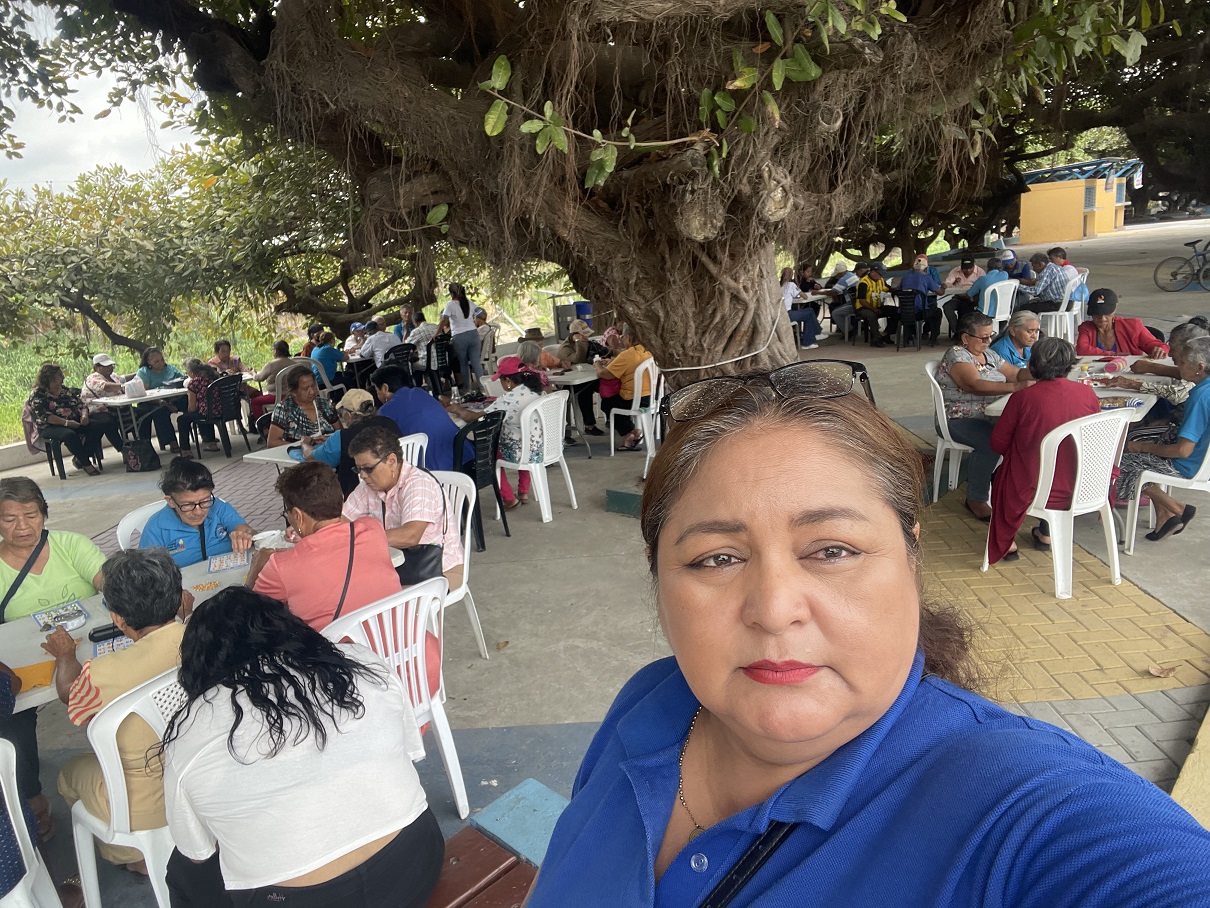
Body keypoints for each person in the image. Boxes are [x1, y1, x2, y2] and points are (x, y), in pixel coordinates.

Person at [527, 360, 1210, 907]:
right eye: (717, 559)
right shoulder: (651, 703)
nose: (774, 609)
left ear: (911, 555)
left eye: (832, 550)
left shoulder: (1025, 808)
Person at [159, 588, 443, 908]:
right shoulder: (358, 661)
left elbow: (198, 854)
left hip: (299, 900)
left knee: (182, 871)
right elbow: (409, 752)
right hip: (415, 862)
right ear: (288, 626)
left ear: (198, 663)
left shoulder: (190, 731)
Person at [46, 548, 187, 875]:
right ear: (179, 598)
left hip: (144, 811)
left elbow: (70, 696)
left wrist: (65, 657)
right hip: (201, 784)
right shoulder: (205, 637)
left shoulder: (100, 673)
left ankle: (131, 856)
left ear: (118, 619)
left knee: (68, 773)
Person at [0, 477, 107, 838]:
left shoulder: (71, 545)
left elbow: (107, 582)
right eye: (9, 519)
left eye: (31, 515)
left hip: (90, 650)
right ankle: (32, 798)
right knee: (12, 716)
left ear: (44, 514)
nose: (22, 526)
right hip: (25, 664)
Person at [985, 337, 1101, 563]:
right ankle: (1046, 534)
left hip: (1033, 488)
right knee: (1057, 467)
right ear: (1070, 365)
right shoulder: (1087, 394)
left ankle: (1008, 542)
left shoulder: (1022, 398)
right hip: (1080, 486)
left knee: (1002, 475)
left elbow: (998, 444)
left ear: (1032, 364)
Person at [247, 463, 401, 630]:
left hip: (339, 646)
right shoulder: (372, 529)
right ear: (341, 500)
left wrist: (256, 569)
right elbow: (335, 550)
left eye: (287, 513)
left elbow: (245, 616)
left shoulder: (280, 567)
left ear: (297, 515)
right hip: (399, 638)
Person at [935, 311, 1034, 520]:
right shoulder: (957, 355)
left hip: (988, 415)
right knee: (991, 443)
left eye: (991, 335)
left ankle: (1006, 486)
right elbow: (974, 384)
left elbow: (1016, 373)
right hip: (957, 418)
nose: (989, 341)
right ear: (965, 337)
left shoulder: (989, 354)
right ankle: (976, 498)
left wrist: (1040, 372)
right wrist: (1016, 387)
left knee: (1023, 432)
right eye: (983, 337)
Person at [344, 427, 465, 590]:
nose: (362, 475)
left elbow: (410, 536)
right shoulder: (369, 486)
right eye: (358, 469)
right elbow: (343, 520)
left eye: (368, 468)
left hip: (439, 570)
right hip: (398, 565)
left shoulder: (419, 484)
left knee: (369, 597)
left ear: (392, 461)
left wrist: (361, 538)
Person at [1114, 336, 1210, 540]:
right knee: (1134, 438)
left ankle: (1177, 508)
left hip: (1189, 464)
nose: (1178, 366)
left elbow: (1183, 450)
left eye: (1182, 362)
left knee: (1119, 460)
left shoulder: (1201, 397)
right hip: (1202, 456)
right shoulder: (1204, 386)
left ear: (1200, 368)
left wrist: (1140, 447)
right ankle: (1164, 516)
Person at [447, 356, 543, 510]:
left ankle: (509, 498)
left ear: (508, 381)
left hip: (520, 452)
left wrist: (459, 410)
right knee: (523, 440)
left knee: (488, 454)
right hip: (539, 448)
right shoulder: (537, 390)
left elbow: (475, 418)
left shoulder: (508, 399)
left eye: (500, 380)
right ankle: (523, 491)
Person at [139, 458, 254, 567]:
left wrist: (245, 535)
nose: (198, 512)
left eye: (205, 501)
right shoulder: (156, 528)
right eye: (188, 505)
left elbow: (247, 530)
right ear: (171, 501)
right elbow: (148, 571)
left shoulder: (218, 507)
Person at [301, 389, 401, 497]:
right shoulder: (389, 422)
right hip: (394, 484)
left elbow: (311, 457)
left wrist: (305, 444)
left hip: (360, 493)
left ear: (348, 415)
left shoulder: (343, 436)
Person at [372, 366, 468, 472]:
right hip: (464, 456)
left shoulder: (385, 411)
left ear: (385, 388)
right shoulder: (420, 392)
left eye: (377, 390)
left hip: (435, 471)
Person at [26, 363, 108, 475]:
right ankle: (86, 464)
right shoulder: (38, 395)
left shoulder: (64, 390)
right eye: (60, 375)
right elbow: (45, 417)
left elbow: (81, 405)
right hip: (51, 426)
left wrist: (84, 416)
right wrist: (66, 423)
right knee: (69, 435)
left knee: (99, 426)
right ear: (50, 378)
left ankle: (80, 457)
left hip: (74, 420)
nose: (63, 377)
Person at [594, 324, 653, 450]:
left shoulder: (627, 355)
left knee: (607, 403)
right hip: (651, 397)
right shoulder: (648, 351)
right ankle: (631, 431)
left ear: (629, 338)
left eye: (623, 337)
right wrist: (612, 362)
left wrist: (597, 364)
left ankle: (628, 433)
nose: (621, 340)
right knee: (616, 402)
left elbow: (604, 374)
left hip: (634, 400)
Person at [1075, 289, 1169, 357]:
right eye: (1097, 314)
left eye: (1107, 313)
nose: (1102, 318)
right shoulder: (1086, 328)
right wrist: (1114, 355)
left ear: (1114, 311)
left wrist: (1160, 350)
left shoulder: (1133, 326)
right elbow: (1082, 349)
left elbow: (1161, 346)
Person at [266, 369, 342, 448]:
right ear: (293, 392)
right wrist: (301, 447)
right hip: (299, 453)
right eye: (306, 389)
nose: (312, 392)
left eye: (313, 386)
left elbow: (341, 433)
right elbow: (272, 442)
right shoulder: (284, 409)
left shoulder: (325, 405)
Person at [556, 319, 607, 435]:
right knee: (585, 390)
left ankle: (611, 416)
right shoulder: (566, 348)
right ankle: (589, 425)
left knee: (606, 383)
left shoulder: (587, 342)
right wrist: (579, 342)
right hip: (568, 383)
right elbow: (580, 359)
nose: (586, 337)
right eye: (583, 335)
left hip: (586, 377)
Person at [78, 353, 134, 454]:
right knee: (108, 422)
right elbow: (106, 386)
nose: (109, 368)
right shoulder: (93, 378)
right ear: (97, 367)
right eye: (105, 366)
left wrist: (138, 374)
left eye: (110, 365)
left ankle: (141, 443)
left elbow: (123, 378)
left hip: (116, 407)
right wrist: (125, 386)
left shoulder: (113, 376)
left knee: (139, 413)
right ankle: (122, 448)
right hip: (97, 410)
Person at [440, 282, 484, 394]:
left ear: (451, 293)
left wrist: (436, 333)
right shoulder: (469, 303)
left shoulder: (450, 304)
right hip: (473, 334)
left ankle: (467, 389)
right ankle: (483, 387)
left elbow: (444, 319)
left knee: (463, 363)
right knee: (476, 363)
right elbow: (481, 313)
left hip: (459, 336)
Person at [176, 358, 221, 455]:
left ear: (191, 372)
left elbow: (192, 408)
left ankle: (186, 450)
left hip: (208, 413)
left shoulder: (195, 383)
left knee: (182, 419)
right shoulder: (215, 376)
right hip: (222, 410)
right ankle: (212, 443)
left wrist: (187, 410)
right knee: (206, 410)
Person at [896, 257, 943, 345]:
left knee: (910, 310)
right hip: (920, 313)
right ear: (925, 268)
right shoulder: (926, 277)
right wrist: (943, 287)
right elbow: (940, 292)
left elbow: (898, 290)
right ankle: (933, 339)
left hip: (904, 312)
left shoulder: (904, 278)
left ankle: (909, 338)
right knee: (937, 312)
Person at [249, 340, 296, 421]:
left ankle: (264, 425)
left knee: (254, 402)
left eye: (272, 349)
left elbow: (259, 378)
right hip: (291, 395)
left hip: (275, 396)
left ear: (276, 350)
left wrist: (253, 373)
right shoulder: (293, 364)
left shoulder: (271, 365)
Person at [853, 262, 896, 348]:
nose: (881, 276)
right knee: (872, 316)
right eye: (880, 274)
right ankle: (876, 339)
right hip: (863, 308)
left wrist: (900, 289)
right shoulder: (863, 283)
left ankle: (886, 334)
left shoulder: (880, 280)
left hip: (876, 306)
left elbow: (888, 288)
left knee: (895, 311)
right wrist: (874, 309)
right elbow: (862, 301)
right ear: (872, 272)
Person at [780, 267, 820, 349]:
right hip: (787, 314)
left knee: (809, 311)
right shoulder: (791, 285)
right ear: (791, 275)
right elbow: (804, 296)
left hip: (779, 314)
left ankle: (815, 333)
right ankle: (808, 341)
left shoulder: (778, 286)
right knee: (809, 312)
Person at [827, 261, 867, 336]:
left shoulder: (844, 279)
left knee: (835, 311)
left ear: (841, 273)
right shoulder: (852, 275)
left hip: (855, 304)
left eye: (837, 275)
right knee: (836, 306)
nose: (836, 277)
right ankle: (853, 327)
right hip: (855, 302)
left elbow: (833, 292)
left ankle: (849, 331)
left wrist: (817, 292)